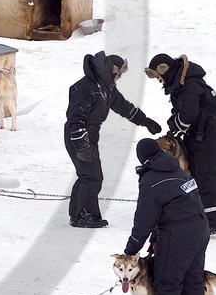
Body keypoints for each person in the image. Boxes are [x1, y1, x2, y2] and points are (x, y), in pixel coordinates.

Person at [124, 137, 210, 295]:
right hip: (200, 227)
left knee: (166, 282)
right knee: (193, 280)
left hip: (177, 234)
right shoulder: (178, 169)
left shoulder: (151, 180)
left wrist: (131, 249)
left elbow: (144, 219)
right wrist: (156, 238)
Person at [63, 52, 161, 228]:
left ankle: (77, 215)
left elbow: (123, 107)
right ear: (110, 70)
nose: (120, 77)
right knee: (92, 177)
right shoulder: (85, 88)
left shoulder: (106, 87)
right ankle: (86, 216)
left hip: (90, 135)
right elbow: (74, 120)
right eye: (119, 73)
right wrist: (82, 145)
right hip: (78, 135)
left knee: (87, 175)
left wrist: (145, 121)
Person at [147, 53, 216, 234]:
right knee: (197, 171)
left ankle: (214, 221)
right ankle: (200, 216)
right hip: (198, 132)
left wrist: (174, 125)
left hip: (207, 132)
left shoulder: (190, 85)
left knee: (206, 173)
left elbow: (187, 115)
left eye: (159, 77)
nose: (159, 81)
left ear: (164, 70)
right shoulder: (183, 84)